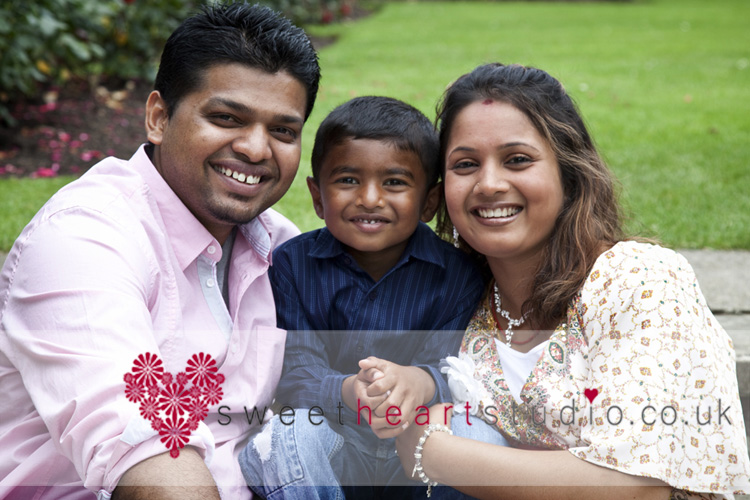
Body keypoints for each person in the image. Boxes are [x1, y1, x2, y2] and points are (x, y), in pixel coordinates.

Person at [0, 4, 320, 499]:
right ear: (158, 116)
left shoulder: (279, 245)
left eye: (282, 131)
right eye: (226, 117)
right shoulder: (85, 240)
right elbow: (150, 456)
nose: (257, 150)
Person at [393, 63, 750, 499]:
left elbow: (634, 488)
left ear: (569, 171)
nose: (488, 184)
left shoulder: (639, 281)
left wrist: (434, 452)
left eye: (517, 160)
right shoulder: (460, 298)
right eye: (465, 164)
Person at [239, 96, 485, 499]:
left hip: (417, 446)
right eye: (348, 180)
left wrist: (418, 382)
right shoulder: (292, 266)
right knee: (287, 435)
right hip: (331, 451)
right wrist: (351, 391)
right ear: (318, 198)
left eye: (394, 182)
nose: (370, 198)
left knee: (474, 429)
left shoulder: (458, 274)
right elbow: (294, 372)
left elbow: (460, 369)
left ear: (429, 202)